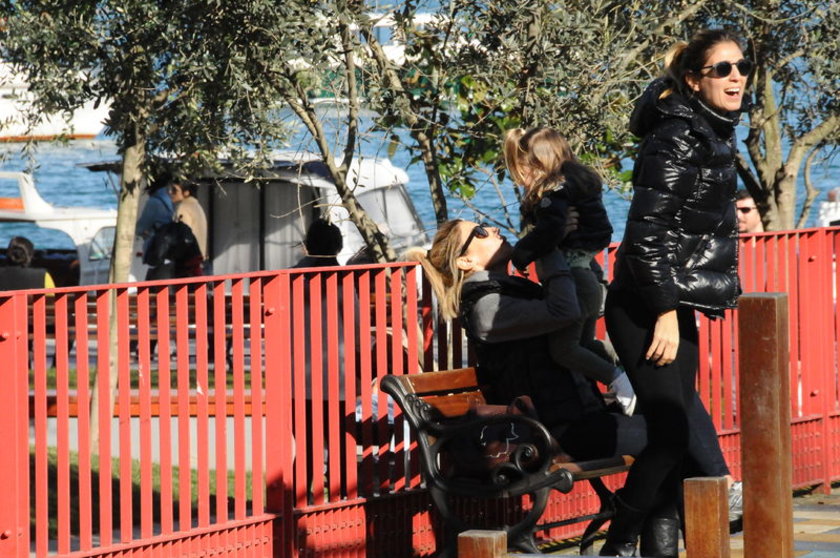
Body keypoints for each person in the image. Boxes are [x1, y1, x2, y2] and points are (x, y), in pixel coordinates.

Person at [601, 29, 749, 556]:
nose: (736, 77)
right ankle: (618, 542)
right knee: (668, 434)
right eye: (722, 69)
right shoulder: (677, 137)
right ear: (693, 79)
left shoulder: (710, 131)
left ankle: (656, 550)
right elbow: (645, 235)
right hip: (645, 307)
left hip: (669, 301)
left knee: (677, 435)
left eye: (742, 66)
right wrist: (664, 311)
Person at [407, 220, 649, 463]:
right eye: (480, 232)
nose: (493, 229)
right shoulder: (487, 309)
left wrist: (575, 251)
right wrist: (546, 246)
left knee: (671, 418)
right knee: (668, 434)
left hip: (578, 416)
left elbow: (589, 308)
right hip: (551, 433)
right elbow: (564, 311)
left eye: (487, 225)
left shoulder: (512, 291)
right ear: (465, 261)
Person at [503, 127, 636, 416]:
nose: (524, 180)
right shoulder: (579, 187)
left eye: (525, 171)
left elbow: (548, 231)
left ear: (539, 164)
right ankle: (631, 371)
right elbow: (599, 230)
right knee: (584, 344)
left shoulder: (554, 193)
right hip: (588, 276)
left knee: (563, 350)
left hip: (574, 281)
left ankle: (621, 380)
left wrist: (521, 254)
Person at [136, 172, 176, 280]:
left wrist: (144, 233)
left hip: (157, 249)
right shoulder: (170, 200)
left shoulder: (154, 202)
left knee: (152, 283)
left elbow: (140, 228)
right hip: (168, 250)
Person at [169, 181, 209, 269]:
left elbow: (183, 235)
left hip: (187, 261)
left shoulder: (183, 207)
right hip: (199, 258)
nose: (170, 192)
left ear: (186, 192)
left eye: (175, 190)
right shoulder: (197, 206)